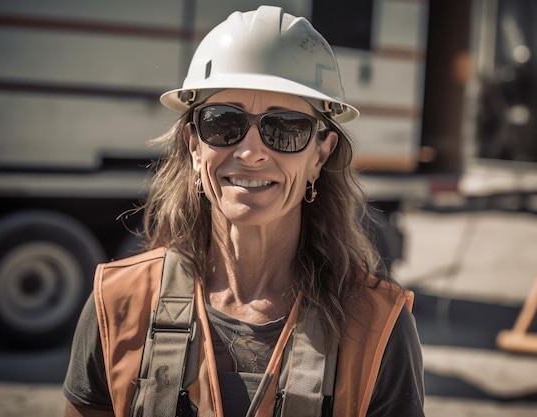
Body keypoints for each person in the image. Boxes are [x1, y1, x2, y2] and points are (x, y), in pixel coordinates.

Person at [62, 5, 425, 417]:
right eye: (223, 123)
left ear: (321, 154)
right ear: (194, 146)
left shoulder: (377, 327)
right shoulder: (119, 304)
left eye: (285, 128)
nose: (251, 153)